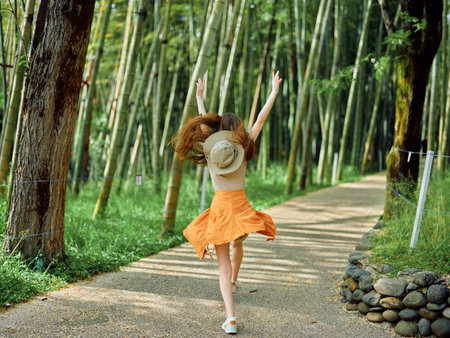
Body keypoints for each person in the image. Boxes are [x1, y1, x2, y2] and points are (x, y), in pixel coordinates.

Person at [172, 71, 282, 334]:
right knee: (238, 243)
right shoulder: (244, 146)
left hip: (221, 208)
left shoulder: (211, 150)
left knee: (223, 264)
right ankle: (234, 280)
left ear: (218, 131)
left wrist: (200, 98)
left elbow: (202, 126)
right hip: (241, 207)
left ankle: (231, 317)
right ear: (238, 129)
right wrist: (273, 93)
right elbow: (260, 118)